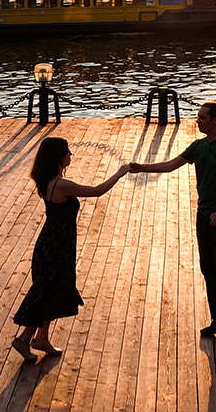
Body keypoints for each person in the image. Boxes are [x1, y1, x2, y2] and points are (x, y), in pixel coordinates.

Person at [131, 103, 216, 344]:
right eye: (198, 118)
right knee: (208, 269)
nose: (198, 121)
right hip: (204, 215)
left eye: (203, 118)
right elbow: (170, 165)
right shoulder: (199, 146)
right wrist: (141, 167)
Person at [11, 137, 131, 362]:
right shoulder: (61, 184)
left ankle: (42, 338)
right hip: (57, 246)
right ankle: (23, 339)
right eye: (67, 151)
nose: (71, 155)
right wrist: (120, 172)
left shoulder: (46, 180)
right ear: (58, 157)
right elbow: (96, 191)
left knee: (53, 289)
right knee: (47, 290)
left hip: (53, 243)